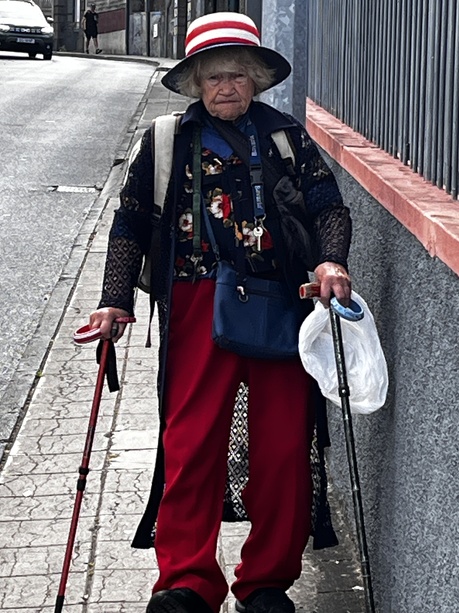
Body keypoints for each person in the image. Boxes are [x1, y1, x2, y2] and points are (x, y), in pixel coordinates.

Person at [89, 12, 352, 613]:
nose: (226, 87)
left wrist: (331, 261)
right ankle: (186, 581)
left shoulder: (286, 136)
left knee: (283, 448)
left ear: (255, 80)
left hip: (280, 305)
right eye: (214, 77)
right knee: (190, 444)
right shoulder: (163, 142)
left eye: (237, 75)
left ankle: (264, 584)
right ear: (196, 83)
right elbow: (130, 221)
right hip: (194, 304)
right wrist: (114, 298)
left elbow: (329, 207)